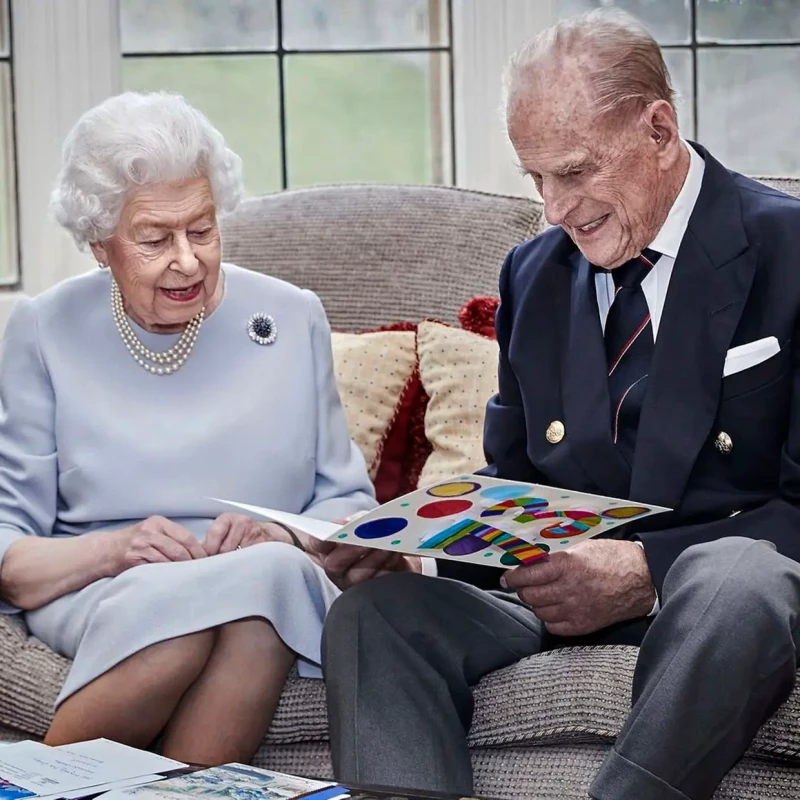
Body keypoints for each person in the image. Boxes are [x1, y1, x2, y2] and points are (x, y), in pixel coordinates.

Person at [317, 10, 800, 800]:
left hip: (715, 603)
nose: (554, 207)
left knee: (738, 579)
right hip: (554, 599)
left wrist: (646, 570)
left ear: (659, 127)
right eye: (535, 177)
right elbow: (513, 490)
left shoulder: (788, 248)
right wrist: (413, 552)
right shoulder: (534, 275)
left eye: (574, 171)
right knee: (379, 616)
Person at [0, 91, 377, 765]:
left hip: (270, 576)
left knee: (260, 595)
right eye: (154, 239)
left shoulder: (291, 316)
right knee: (190, 622)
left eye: (201, 230)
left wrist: (281, 532)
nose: (188, 260)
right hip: (104, 585)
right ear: (100, 246)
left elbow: (349, 508)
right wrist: (118, 551)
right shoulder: (42, 329)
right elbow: (12, 558)